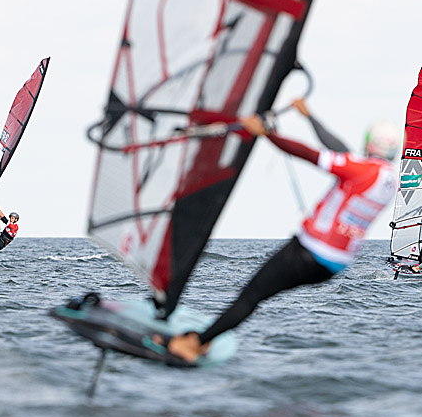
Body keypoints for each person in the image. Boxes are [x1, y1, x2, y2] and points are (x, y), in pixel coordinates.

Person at [165, 101, 401, 363]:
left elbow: (310, 154)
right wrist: (309, 116)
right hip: (333, 264)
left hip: (308, 252)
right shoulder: (389, 180)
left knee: (251, 294)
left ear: (368, 142)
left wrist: (267, 134)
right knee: (258, 295)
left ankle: (195, 344)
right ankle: (205, 338)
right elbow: (341, 151)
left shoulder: (360, 169)